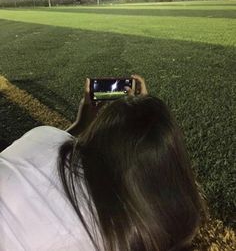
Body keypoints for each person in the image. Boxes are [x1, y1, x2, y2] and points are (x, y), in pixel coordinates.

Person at [0, 75, 206, 251]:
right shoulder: (120, 234)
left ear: (97, 136)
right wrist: (143, 120)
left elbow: (60, 142)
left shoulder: (42, 135)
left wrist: (82, 123)